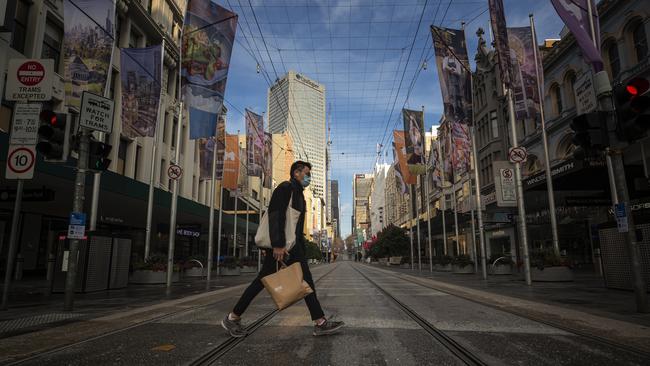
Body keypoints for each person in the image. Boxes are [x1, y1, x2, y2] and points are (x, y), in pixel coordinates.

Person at [222, 161, 344, 338]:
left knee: (305, 282)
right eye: (307, 173)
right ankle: (232, 317)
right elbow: (275, 214)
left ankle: (320, 322)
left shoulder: (299, 195)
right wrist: (277, 244)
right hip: (281, 246)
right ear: (296, 173)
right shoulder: (285, 188)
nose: (309, 177)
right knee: (262, 281)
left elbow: (296, 227)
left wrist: (301, 250)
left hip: (292, 247)